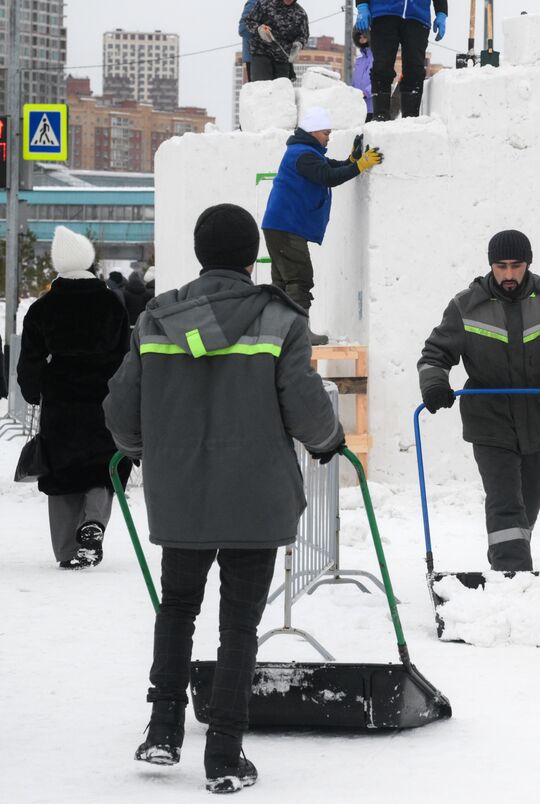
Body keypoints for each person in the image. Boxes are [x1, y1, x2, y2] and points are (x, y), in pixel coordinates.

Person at [104, 203, 345, 793]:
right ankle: (225, 754)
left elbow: (119, 410)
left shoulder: (158, 317)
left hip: (181, 492)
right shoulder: (279, 320)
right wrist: (327, 441)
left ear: (199, 251)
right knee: (239, 625)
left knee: (177, 607)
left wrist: (146, 449)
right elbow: (304, 402)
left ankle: (163, 730)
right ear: (250, 255)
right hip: (256, 497)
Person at [417, 230, 540, 572]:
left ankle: (508, 559)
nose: (509, 275)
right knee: (505, 501)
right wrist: (435, 384)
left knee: (530, 497)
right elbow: (434, 354)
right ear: (490, 266)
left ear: (528, 263)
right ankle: (513, 576)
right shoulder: (465, 307)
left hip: (538, 418)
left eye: (516, 266)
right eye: (501, 266)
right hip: (489, 418)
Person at [17, 226, 132, 569]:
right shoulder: (112, 303)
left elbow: (30, 361)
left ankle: (68, 551)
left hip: (61, 402)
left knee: (63, 472)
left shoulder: (44, 308)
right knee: (103, 467)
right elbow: (125, 355)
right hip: (104, 401)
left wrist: (33, 392)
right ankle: (94, 521)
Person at [260, 106, 382, 344]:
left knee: (284, 282)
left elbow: (329, 167)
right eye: (326, 132)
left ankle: (280, 333)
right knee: (299, 279)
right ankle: (299, 333)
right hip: (286, 227)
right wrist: (360, 166)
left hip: (280, 225)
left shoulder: (304, 151)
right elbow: (328, 177)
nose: (329, 137)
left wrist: (351, 160)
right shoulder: (303, 155)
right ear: (314, 131)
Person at [242, 0, 307, 83]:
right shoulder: (264, 5)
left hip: (283, 59)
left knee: (281, 93)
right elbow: (249, 21)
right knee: (262, 89)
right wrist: (259, 29)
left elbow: (303, 34)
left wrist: (299, 44)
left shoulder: (300, 14)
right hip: (261, 54)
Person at [237, 0, 284, 83]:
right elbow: (243, 29)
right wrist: (261, 32)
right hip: (255, 58)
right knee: (261, 95)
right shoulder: (255, 1)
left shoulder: (276, 3)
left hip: (274, 57)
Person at [351, 29, 374, 121]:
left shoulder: (376, 56)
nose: (362, 39)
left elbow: (379, 79)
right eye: (359, 37)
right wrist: (351, 92)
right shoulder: (359, 60)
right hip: (358, 106)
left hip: (372, 106)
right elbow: (355, 80)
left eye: (365, 37)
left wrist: (366, 92)